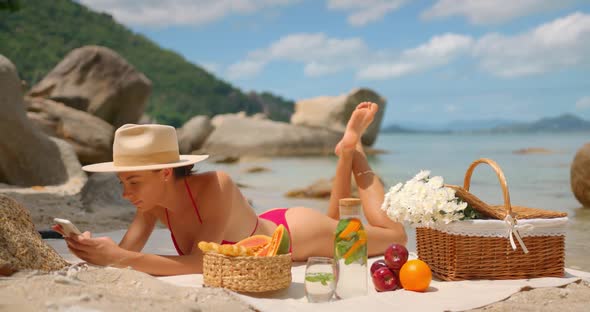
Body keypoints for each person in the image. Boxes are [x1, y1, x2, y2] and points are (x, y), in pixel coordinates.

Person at [53, 102, 407, 276]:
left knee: (394, 235)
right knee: (334, 219)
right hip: (263, 232)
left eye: (133, 180)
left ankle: (355, 154)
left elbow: (199, 263)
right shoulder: (150, 201)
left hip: (297, 232)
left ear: (164, 172)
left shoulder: (216, 184)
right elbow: (126, 257)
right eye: (122, 182)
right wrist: (92, 248)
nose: (126, 193)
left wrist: (119, 257)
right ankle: (344, 155)